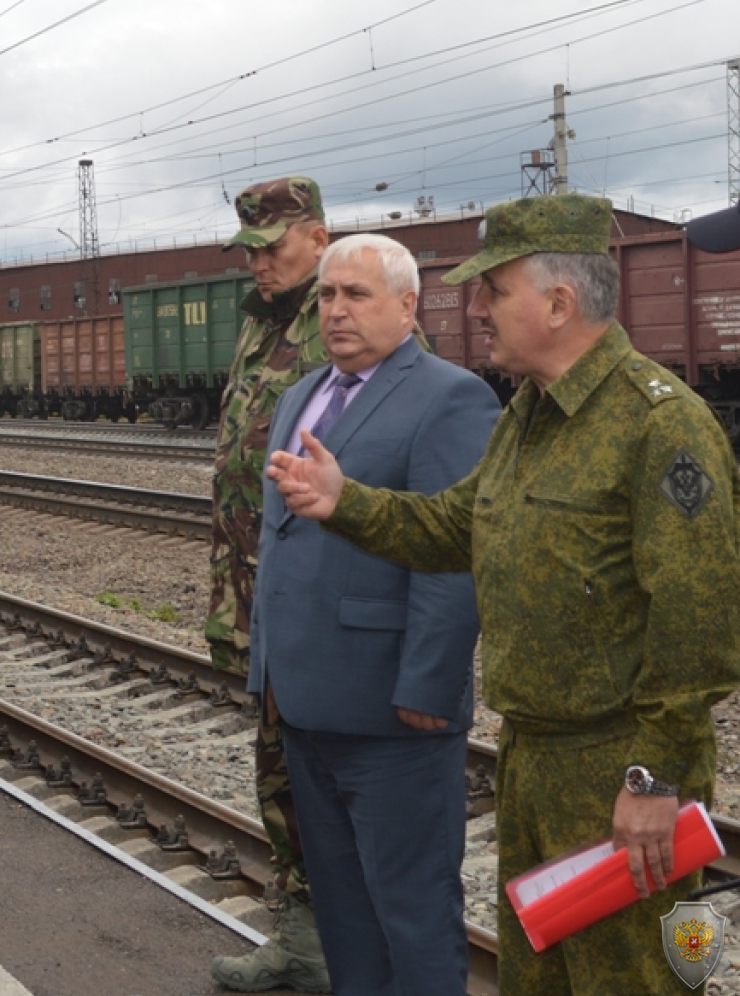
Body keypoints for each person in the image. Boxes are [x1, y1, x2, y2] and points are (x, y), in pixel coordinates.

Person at [267, 194, 740, 996]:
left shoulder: (660, 424)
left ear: (558, 304)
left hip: (618, 769)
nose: (476, 308)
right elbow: (456, 528)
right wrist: (345, 501)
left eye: (496, 289)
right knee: (541, 977)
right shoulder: (530, 415)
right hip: (533, 757)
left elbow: (701, 624)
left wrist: (655, 781)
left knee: (631, 980)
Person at [248, 235, 499, 996]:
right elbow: (282, 540)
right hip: (304, 698)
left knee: (412, 909)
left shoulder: (450, 397)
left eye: (356, 295)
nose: (336, 311)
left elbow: (453, 551)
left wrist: (429, 683)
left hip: (392, 708)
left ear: (408, 304)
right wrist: (267, 668)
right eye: (327, 296)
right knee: (345, 909)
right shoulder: (303, 393)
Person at [202, 176, 332, 993]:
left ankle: (324, 947)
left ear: (318, 236)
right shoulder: (264, 328)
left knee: (310, 772)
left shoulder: (341, 322)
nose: (259, 263)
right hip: (257, 591)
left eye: (273, 246)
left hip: (310, 599)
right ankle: (303, 941)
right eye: (250, 249)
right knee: (277, 768)